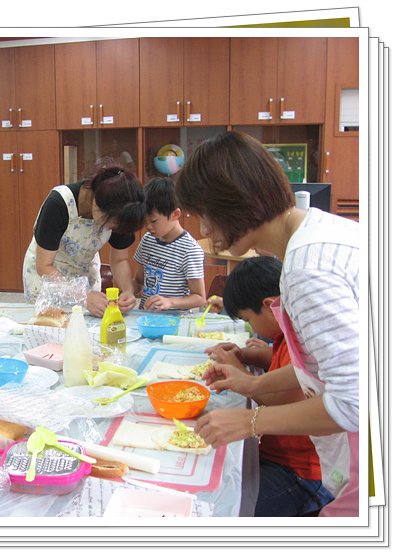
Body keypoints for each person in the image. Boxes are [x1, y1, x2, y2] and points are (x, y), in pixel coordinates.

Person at [175, 130, 360, 517]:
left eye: (206, 216)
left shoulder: (308, 269)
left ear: (233, 202)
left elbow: (353, 403)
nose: (206, 231)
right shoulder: (316, 233)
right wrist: (254, 385)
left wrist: (250, 420)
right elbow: (325, 366)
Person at [204, 256, 334, 516]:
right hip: (277, 456)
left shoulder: (301, 337)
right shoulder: (287, 333)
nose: (250, 327)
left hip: (301, 475)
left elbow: (281, 400)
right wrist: (248, 356)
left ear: (267, 305)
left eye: (248, 320)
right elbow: (290, 368)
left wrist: (242, 376)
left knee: (215, 510)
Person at [22, 161, 146, 317]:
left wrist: (128, 290)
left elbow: (119, 260)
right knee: (51, 327)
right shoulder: (59, 204)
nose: (114, 229)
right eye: (112, 225)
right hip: (49, 275)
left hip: (84, 273)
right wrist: (83, 296)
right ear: (96, 203)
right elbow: (44, 266)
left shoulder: (122, 210)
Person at [132, 177, 205, 311]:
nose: (148, 227)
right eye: (145, 220)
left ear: (175, 214)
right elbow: (138, 281)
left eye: (153, 221)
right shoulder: (148, 240)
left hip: (174, 321)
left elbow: (199, 297)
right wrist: (127, 292)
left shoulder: (189, 249)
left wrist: (170, 302)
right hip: (145, 317)